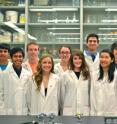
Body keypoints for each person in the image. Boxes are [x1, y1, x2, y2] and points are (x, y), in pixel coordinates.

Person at [0, 47, 30, 115]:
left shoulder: (27, 74)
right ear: (11, 58)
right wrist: (2, 111)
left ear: (23, 58)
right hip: (9, 111)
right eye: (15, 56)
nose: (18, 59)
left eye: (20, 56)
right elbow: (0, 93)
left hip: (24, 110)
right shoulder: (4, 74)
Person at [60, 50, 90, 116]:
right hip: (69, 110)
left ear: (83, 60)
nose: (77, 61)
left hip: (84, 109)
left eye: (80, 58)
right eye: (75, 58)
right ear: (72, 60)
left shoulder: (88, 75)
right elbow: (62, 95)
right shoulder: (65, 75)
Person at [90, 49, 117, 116]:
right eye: (101, 57)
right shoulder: (94, 75)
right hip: (96, 114)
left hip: (111, 114)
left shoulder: (115, 75)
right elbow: (92, 96)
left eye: (106, 57)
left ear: (112, 60)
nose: (103, 59)